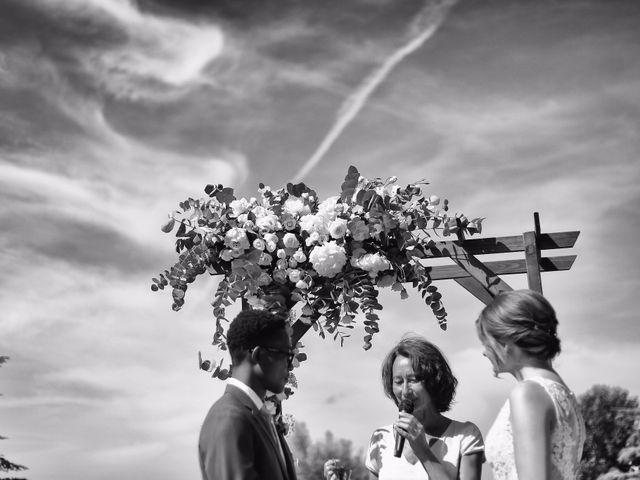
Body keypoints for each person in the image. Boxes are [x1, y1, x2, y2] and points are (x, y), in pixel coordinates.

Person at [327, 336, 484, 480]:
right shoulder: (381, 438)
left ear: (434, 380)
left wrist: (422, 450)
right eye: (398, 381)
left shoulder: (465, 435)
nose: (405, 391)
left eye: (413, 380)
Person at [476, 289, 586, 480]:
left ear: (506, 341)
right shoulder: (560, 391)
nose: (484, 352)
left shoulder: (528, 394)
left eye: (486, 341)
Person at [198, 309, 298, 480]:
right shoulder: (229, 418)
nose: (290, 366)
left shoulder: (261, 417)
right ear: (258, 355)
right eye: (286, 355)